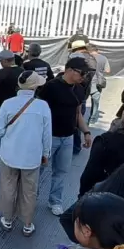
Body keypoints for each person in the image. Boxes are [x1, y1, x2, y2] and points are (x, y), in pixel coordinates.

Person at [0, 71, 51, 237]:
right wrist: (46, 153)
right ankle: (27, 224)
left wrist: (9, 135)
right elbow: (47, 134)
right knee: (29, 190)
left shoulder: (8, 103)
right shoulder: (43, 106)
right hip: (32, 156)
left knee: (8, 186)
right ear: (35, 86)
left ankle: (8, 219)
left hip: (9, 154)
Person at [36, 58, 92, 215]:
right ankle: (30, 198)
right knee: (38, 170)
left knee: (61, 171)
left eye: (86, 74)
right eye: (82, 73)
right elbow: (39, 111)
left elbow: (77, 113)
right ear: (69, 70)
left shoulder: (79, 89)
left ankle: (55, 201)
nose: (84, 77)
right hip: (49, 137)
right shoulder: (50, 87)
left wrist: (86, 132)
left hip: (68, 137)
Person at [88, 44, 111, 126]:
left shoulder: (86, 58)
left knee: (82, 101)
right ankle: (92, 119)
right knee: (95, 102)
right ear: (97, 50)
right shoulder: (103, 58)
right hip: (98, 82)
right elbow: (108, 70)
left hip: (87, 82)